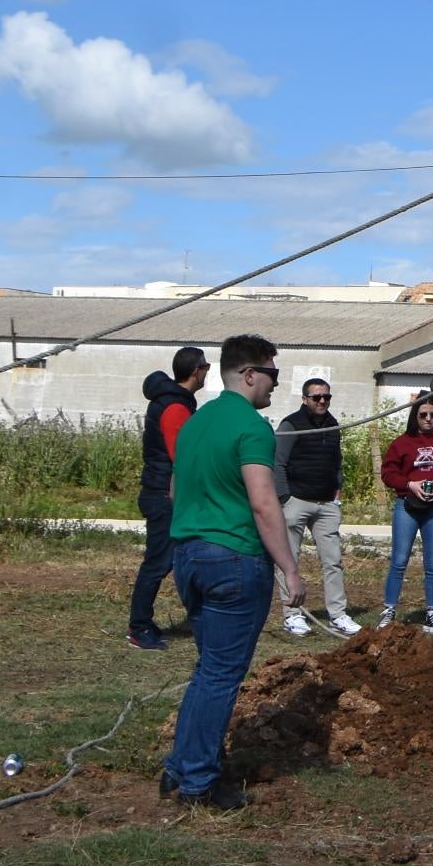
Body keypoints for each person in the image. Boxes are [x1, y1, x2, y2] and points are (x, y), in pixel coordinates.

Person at [158, 334, 304, 809]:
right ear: (249, 374)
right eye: (273, 375)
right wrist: (290, 569)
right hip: (235, 559)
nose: (275, 386)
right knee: (221, 675)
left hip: (188, 555)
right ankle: (198, 783)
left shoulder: (196, 422)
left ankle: (179, 768)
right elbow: (264, 503)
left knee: (207, 670)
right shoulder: (253, 427)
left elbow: (176, 492)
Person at [126, 346, 210, 651]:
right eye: (206, 367)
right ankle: (139, 627)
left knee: (172, 560)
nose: (207, 372)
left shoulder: (178, 402)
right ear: (196, 371)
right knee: (158, 563)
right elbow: (181, 456)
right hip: (164, 495)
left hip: (164, 492)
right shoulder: (175, 406)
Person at [274, 376, 362, 639]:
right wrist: (284, 498)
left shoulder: (332, 425)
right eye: (316, 397)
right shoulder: (291, 425)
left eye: (326, 397)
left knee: (333, 560)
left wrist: (338, 488)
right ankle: (292, 615)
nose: (322, 401)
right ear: (305, 399)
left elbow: (336, 460)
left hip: (326, 502)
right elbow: (278, 463)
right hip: (296, 500)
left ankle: (338, 614)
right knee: (289, 559)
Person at [378, 391, 433, 634]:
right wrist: (409, 484)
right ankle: (389, 610)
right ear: (415, 416)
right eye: (423, 414)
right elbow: (388, 473)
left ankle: (432, 613)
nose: (428, 419)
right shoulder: (401, 443)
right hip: (407, 506)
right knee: (399, 560)